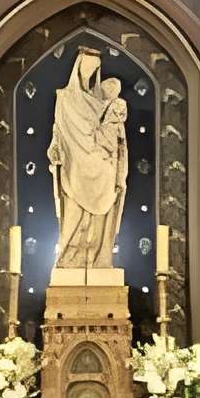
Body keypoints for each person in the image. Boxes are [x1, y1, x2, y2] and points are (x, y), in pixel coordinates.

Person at [47, 47, 131, 272]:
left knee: (99, 217)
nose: (90, 75)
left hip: (101, 167)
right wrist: (54, 149)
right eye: (87, 69)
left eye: (95, 71)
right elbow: (58, 132)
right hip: (75, 165)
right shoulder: (65, 99)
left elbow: (114, 134)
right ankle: (70, 258)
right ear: (78, 69)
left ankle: (96, 260)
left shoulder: (101, 104)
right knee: (74, 216)